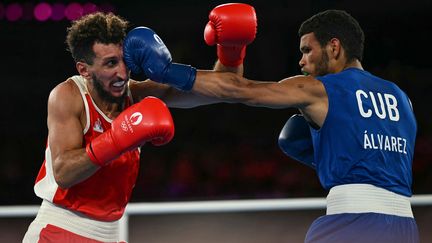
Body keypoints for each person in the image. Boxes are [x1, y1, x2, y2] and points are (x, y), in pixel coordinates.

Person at [123, 9, 419, 243]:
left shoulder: (319, 88)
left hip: (351, 223)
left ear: (334, 47)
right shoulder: (402, 99)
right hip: (406, 226)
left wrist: (167, 71)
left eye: (307, 50)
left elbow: (242, 90)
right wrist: (324, 154)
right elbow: (377, 158)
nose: (301, 61)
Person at [23, 4, 257, 242]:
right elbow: (63, 173)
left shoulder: (137, 94)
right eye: (110, 63)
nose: (123, 73)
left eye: (124, 60)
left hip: (111, 232)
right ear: (84, 70)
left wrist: (231, 49)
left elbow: (223, 90)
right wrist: (116, 139)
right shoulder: (68, 96)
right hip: (60, 229)